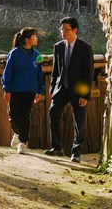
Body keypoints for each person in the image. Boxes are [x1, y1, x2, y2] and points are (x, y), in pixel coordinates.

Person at [44, 17, 94, 163]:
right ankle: (57, 148)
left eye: (66, 30)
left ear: (75, 30)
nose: (63, 32)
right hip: (61, 88)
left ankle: (76, 152)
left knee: (79, 121)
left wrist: (85, 95)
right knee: (53, 112)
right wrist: (52, 88)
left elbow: (88, 73)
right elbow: (55, 70)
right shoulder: (58, 47)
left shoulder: (85, 48)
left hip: (78, 90)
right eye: (61, 30)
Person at [2, 27, 46, 154]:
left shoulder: (38, 56)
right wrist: (7, 89)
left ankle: (22, 142)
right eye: (34, 36)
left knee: (25, 116)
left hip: (30, 91)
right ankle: (16, 133)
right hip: (15, 90)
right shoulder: (14, 53)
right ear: (27, 39)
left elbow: (40, 74)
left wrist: (39, 90)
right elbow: (8, 72)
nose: (37, 38)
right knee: (14, 114)